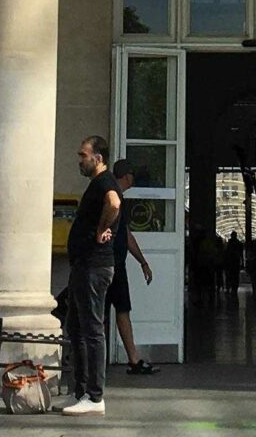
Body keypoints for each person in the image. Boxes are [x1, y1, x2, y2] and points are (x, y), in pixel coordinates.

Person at [60, 136, 118, 416]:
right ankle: (81, 391)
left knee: (92, 330)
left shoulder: (105, 181)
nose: (79, 160)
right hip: (84, 266)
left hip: (94, 266)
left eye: (83, 155)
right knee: (77, 328)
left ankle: (94, 396)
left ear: (98, 157)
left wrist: (100, 229)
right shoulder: (96, 184)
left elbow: (114, 203)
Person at [105, 162, 156, 378]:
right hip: (108, 263)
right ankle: (103, 358)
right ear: (126, 175)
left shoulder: (117, 197)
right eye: (133, 174)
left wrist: (142, 261)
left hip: (115, 263)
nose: (134, 177)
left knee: (119, 309)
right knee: (112, 311)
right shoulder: (113, 197)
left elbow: (126, 235)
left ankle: (132, 358)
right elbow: (121, 234)